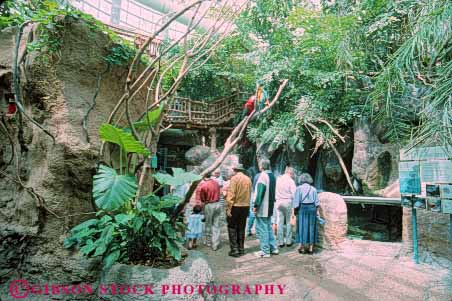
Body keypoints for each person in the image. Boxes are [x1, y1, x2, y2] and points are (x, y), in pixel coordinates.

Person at [253, 158, 279, 258]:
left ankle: (265, 251)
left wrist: (255, 206)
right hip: (270, 206)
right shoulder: (272, 176)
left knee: (262, 229)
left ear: (261, 166)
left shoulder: (263, 176)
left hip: (263, 207)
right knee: (268, 228)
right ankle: (273, 248)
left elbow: (260, 192)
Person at [226, 164, 252, 257]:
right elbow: (249, 193)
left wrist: (228, 208)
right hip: (245, 206)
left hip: (235, 206)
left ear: (235, 170)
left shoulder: (234, 179)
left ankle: (234, 250)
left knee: (232, 227)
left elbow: (231, 194)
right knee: (241, 227)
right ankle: (241, 249)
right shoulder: (248, 179)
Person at [292, 173, 320, 254]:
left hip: (302, 209)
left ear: (301, 179)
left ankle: (303, 248)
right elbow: (317, 203)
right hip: (312, 209)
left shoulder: (299, 188)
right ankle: (311, 248)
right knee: (311, 228)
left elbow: (296, 202)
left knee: (302, 227)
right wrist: (318, 212)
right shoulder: (314, 189)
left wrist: (293, 213)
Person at [199, 173, 221, 251]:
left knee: (208, 223)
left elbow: (202, 199)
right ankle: (215, 244)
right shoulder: (216, 183)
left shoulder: (204, 185)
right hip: (218, 204)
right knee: (216, 224)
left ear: (204, 177)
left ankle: (209, 242)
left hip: (209, 204)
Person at [275, 166, 296, 247]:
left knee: (279, 222)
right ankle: (288, 241)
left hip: (279, 202)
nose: (293, 175)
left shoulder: (278, 179)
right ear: (290, 173)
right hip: (288, 202)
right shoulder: (291, 181)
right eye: (292, 174)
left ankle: (280, 242)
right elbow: (294, 194)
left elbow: (274, 191)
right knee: (288, 222)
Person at [246, 171, 260, 236]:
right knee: (256, 214)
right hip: (257, 196)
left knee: (252, 214)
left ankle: (248, 230)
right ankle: (257, 231)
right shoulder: (262, 176)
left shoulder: (256, 175)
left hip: (253, 194)